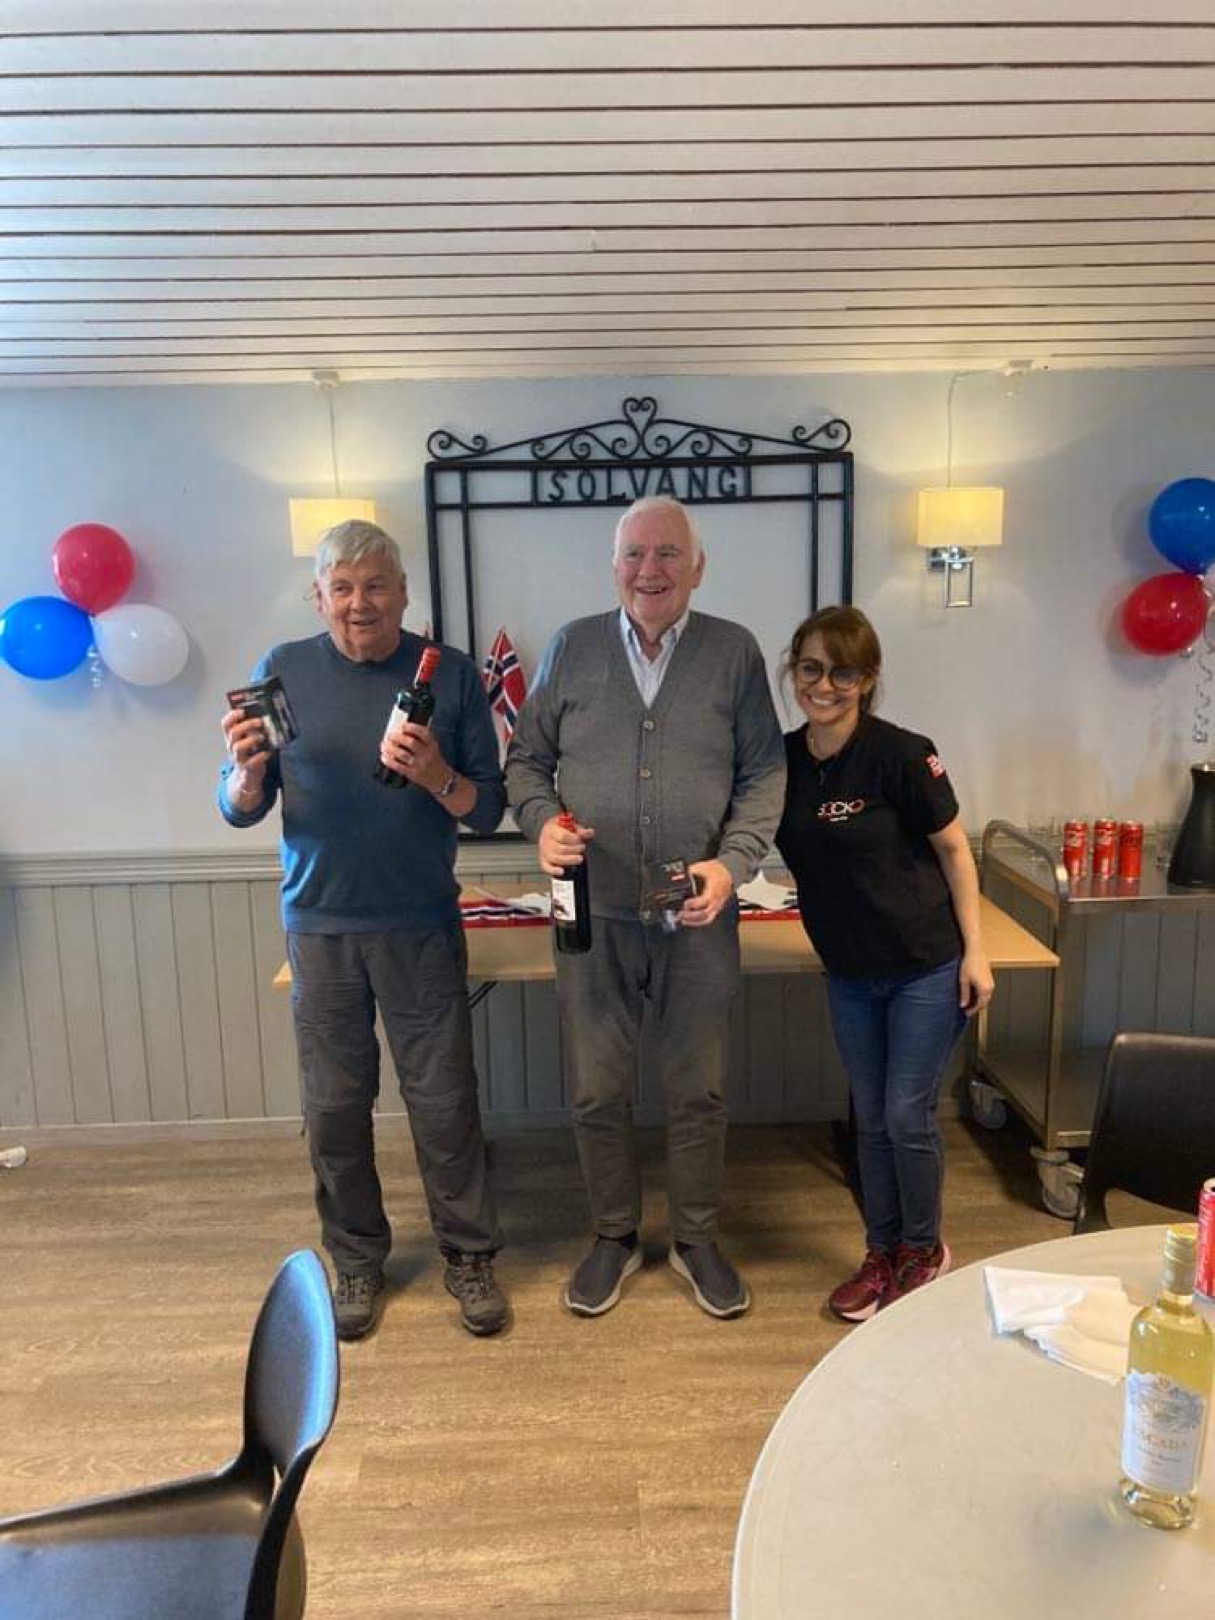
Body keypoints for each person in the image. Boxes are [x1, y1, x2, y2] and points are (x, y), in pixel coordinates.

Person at [218, 519, 509, 1342]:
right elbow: (240, 806)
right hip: (320, 929)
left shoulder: (446, 674)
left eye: (376, 585)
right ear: (318, 598)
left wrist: (436, 775)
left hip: (421, 925)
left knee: (445, 1106)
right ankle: (354, 1260)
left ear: (403, 593)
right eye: (341, 588)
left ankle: (469, 1254)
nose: (359, 602)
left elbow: (487, 808)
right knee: (335, 1109)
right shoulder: (280, 670)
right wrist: (244, 777)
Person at [506, 496, 785, 1320]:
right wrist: (541, 824)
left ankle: (695, 1239)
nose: (648, 570)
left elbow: (763, 773)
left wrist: (731, 866)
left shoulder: (733, 652)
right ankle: (613, 1235)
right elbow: (525, 762)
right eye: (633, 554)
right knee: (597, 1091)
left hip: (698, 916)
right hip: (592, 914)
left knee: (698, 1090)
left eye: (667, 554)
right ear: (613, 566)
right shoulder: (572, 647)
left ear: (698, 567)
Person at [774, 605, 994, 1323]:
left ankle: (923, 1251)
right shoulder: (781, 761)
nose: (824, 685)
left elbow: (954, 852)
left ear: (867, 679)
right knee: (868, 1118)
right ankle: (880, 1253)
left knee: (905, 1114)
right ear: (793, 671)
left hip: (925, 965)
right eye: (811, 669)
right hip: (849, 973)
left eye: (842, 672)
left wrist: (976, 953)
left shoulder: (901, 753)